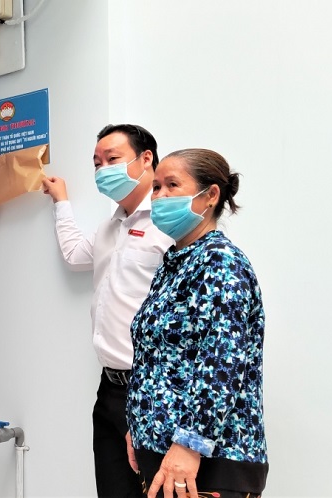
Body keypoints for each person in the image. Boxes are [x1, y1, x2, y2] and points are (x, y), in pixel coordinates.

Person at [127, 149, 268, 498]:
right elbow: (159, 357)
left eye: (172, 185)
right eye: (156, 187)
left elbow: (221, 363)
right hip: (162, 455)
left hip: (206, 462)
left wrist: (191, 443)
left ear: (211, 195)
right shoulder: (175, 263)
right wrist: (138, 422)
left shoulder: (220, 263)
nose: (159, 196)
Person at [42, 124, 172, 497]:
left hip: (152, 387)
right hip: (110, 389)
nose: (102, 169)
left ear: (146, 159)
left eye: (112, 159)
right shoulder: (110, 227)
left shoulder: (169, 225)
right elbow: (74, 255)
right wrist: (61, 202)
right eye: (97, 163)